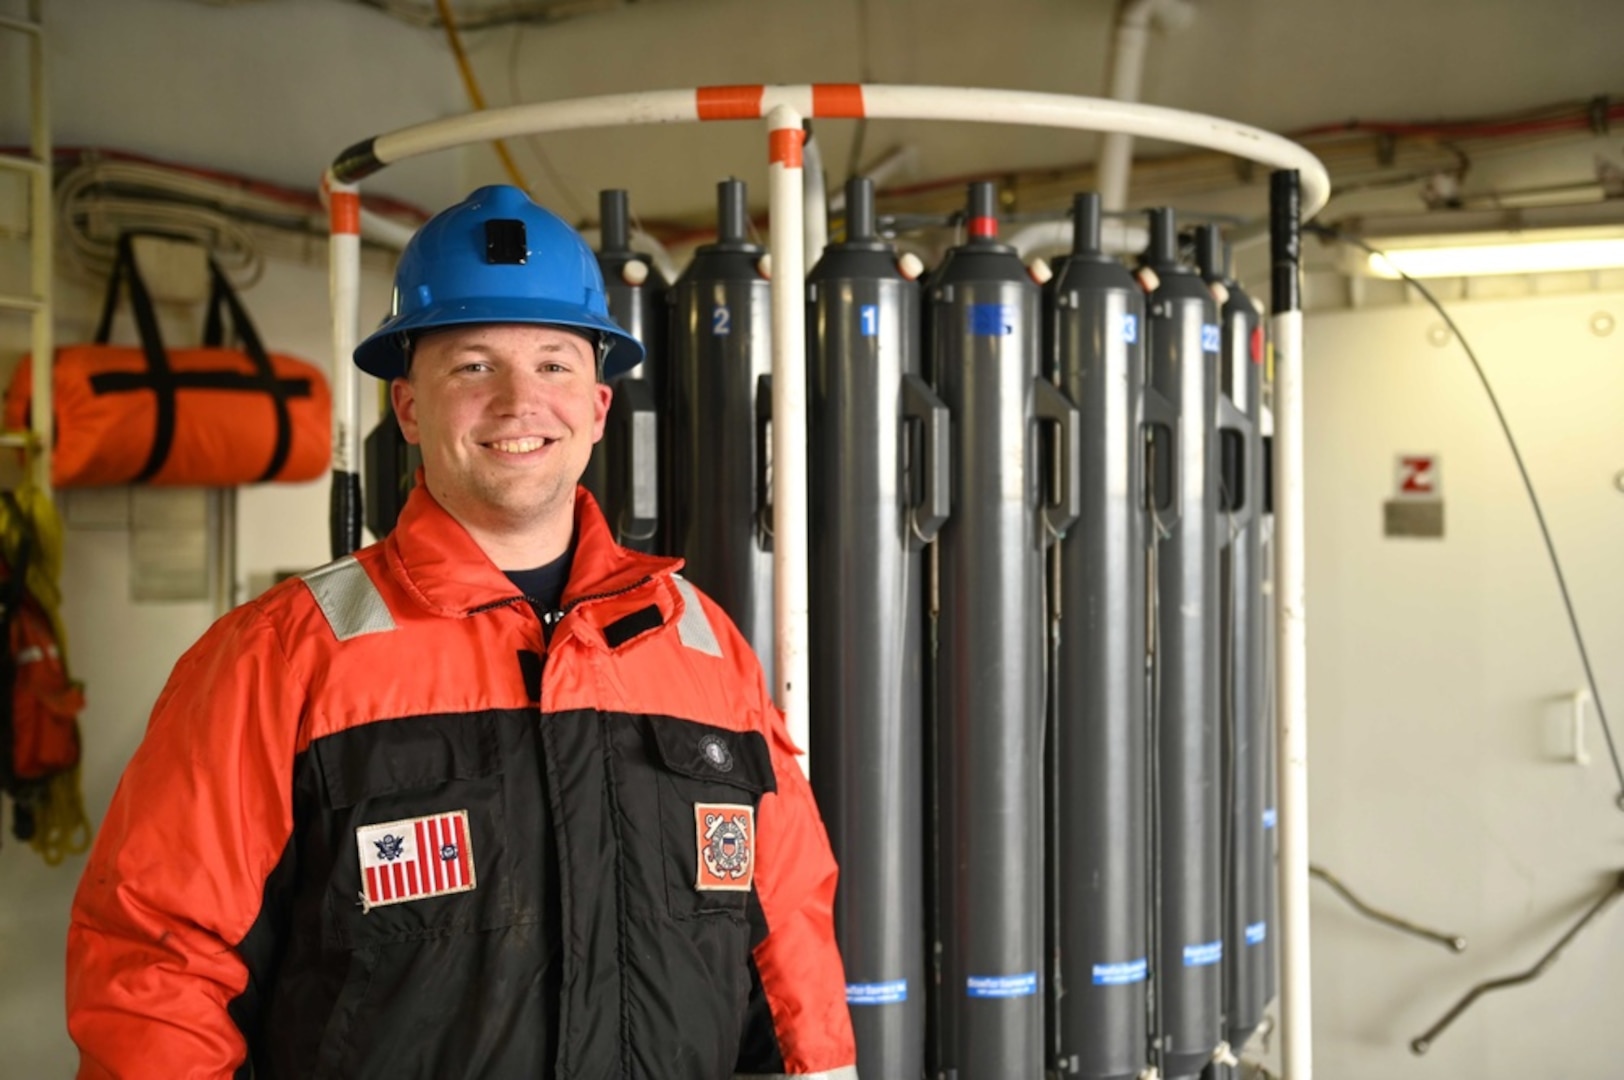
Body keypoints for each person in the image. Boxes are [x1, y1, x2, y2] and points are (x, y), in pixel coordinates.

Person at [66, 184, 858, 1079]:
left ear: (598, 410)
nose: (521, 401)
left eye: (555, 364)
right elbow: (156, 961)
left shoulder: (701, 646)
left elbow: (787, 928)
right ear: (408, 410)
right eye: (473, 366)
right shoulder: (281, 656)